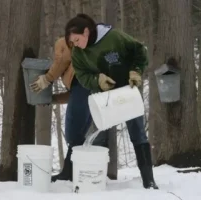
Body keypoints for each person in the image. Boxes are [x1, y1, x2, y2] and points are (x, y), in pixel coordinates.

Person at [64, 13, 159, 189]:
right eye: (72, 43)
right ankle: (83, 175)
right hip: (103, 95)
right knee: (93, 131)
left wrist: (136, 71)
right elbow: (83, 75)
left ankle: (149, 179)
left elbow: (140, 50)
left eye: (76, 40)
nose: (75, 45)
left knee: (138, 133)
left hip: (127, 91)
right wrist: (97, 80)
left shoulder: (114, 37)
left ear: (86, 32)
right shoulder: (78, 53)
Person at [30, 37, 108, 182]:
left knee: (73, 134)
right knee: (77, 136)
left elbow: (60, 64)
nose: (56, 59)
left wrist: (48, 78)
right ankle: (72, 171)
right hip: (90, 91)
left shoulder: (63, 43)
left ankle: (70, 172)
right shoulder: (73, 73)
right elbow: (74, 95)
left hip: (87, 88)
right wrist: (52, 99)